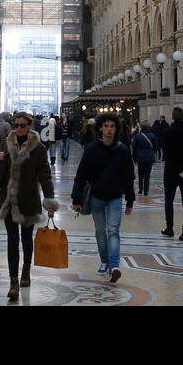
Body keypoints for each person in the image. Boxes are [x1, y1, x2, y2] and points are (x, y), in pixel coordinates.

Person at [0, 111, 58, 299]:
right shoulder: (6, 143)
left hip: (28, 199)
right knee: (12, 240)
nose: (18, 128)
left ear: (30, 126)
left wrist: (49, 201)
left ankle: (26, 270)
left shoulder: (39, 149)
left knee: (26, 240)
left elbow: (45, 176)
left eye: (22, 125)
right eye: (16, 125)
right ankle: (13, 281)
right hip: (8, 200)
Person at [71, 113, 134, 283]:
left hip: (115, 196)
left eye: (112, 126)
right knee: (100, 232)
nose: (108, 130)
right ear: (100, 128)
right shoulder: (92, 149)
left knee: (113, 231)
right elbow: (81, 174)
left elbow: (129, 177)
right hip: (96, 197)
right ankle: (105, 261)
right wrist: (76, 199)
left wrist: (130, 200)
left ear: (116, 129)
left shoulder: (122, 150)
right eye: (106, 126)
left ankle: (114, 266)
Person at [161, 107, 183, 240]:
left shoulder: (167, 132)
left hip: (171, 171)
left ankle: (169, 228)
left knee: (169, 200)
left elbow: (166, 152)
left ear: (172, 117)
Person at [132, 121, 156, 195]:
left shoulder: (138, 136)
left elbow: (134, 148)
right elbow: (155, 147)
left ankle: (140, 189)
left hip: (140, 157)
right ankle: (146, 190)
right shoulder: (152, 135)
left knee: (140, 174)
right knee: (147, 174)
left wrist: (134, 158)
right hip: (149, 157)